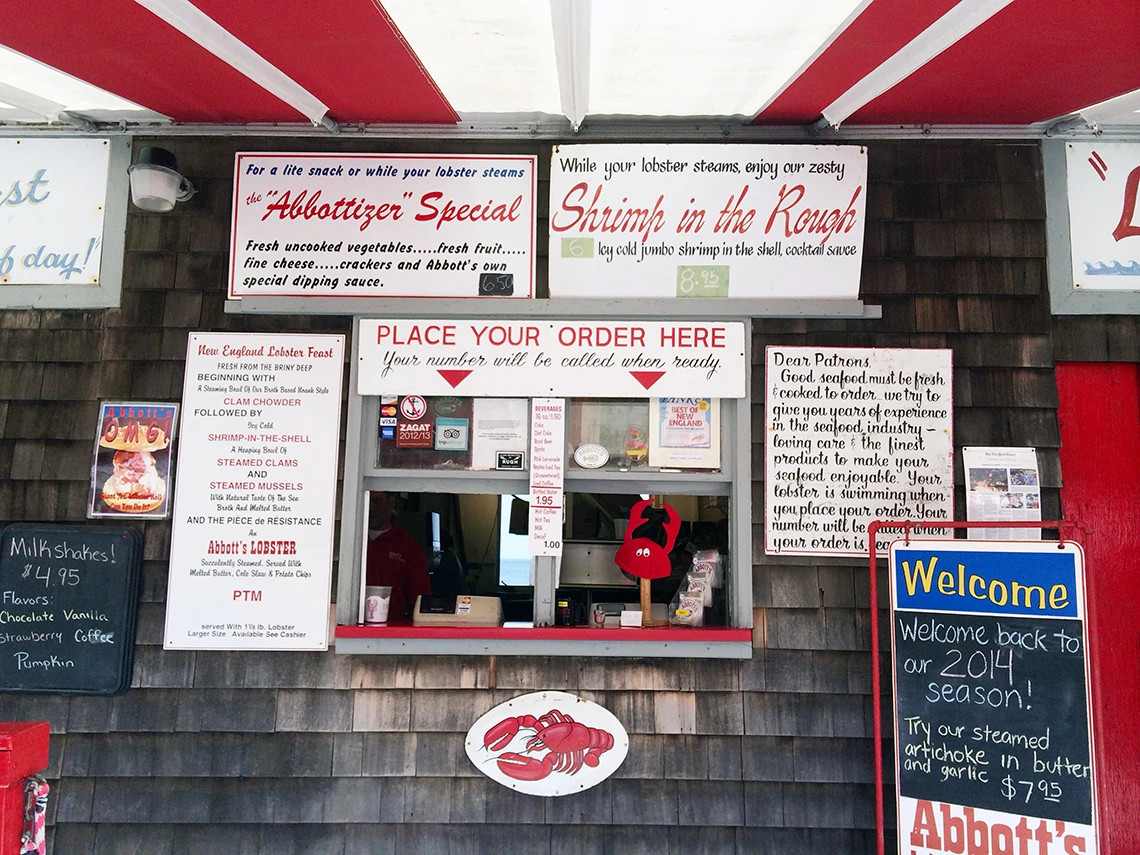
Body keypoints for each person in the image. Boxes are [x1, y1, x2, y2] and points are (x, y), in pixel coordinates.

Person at [365, 491, 431, 621]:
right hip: (349, 625)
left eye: (377, 501)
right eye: (367, 501)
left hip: (393, 631)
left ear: (392, 502)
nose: (371, 508)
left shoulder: (409, 548)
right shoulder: (347, 538)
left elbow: (420, 602)